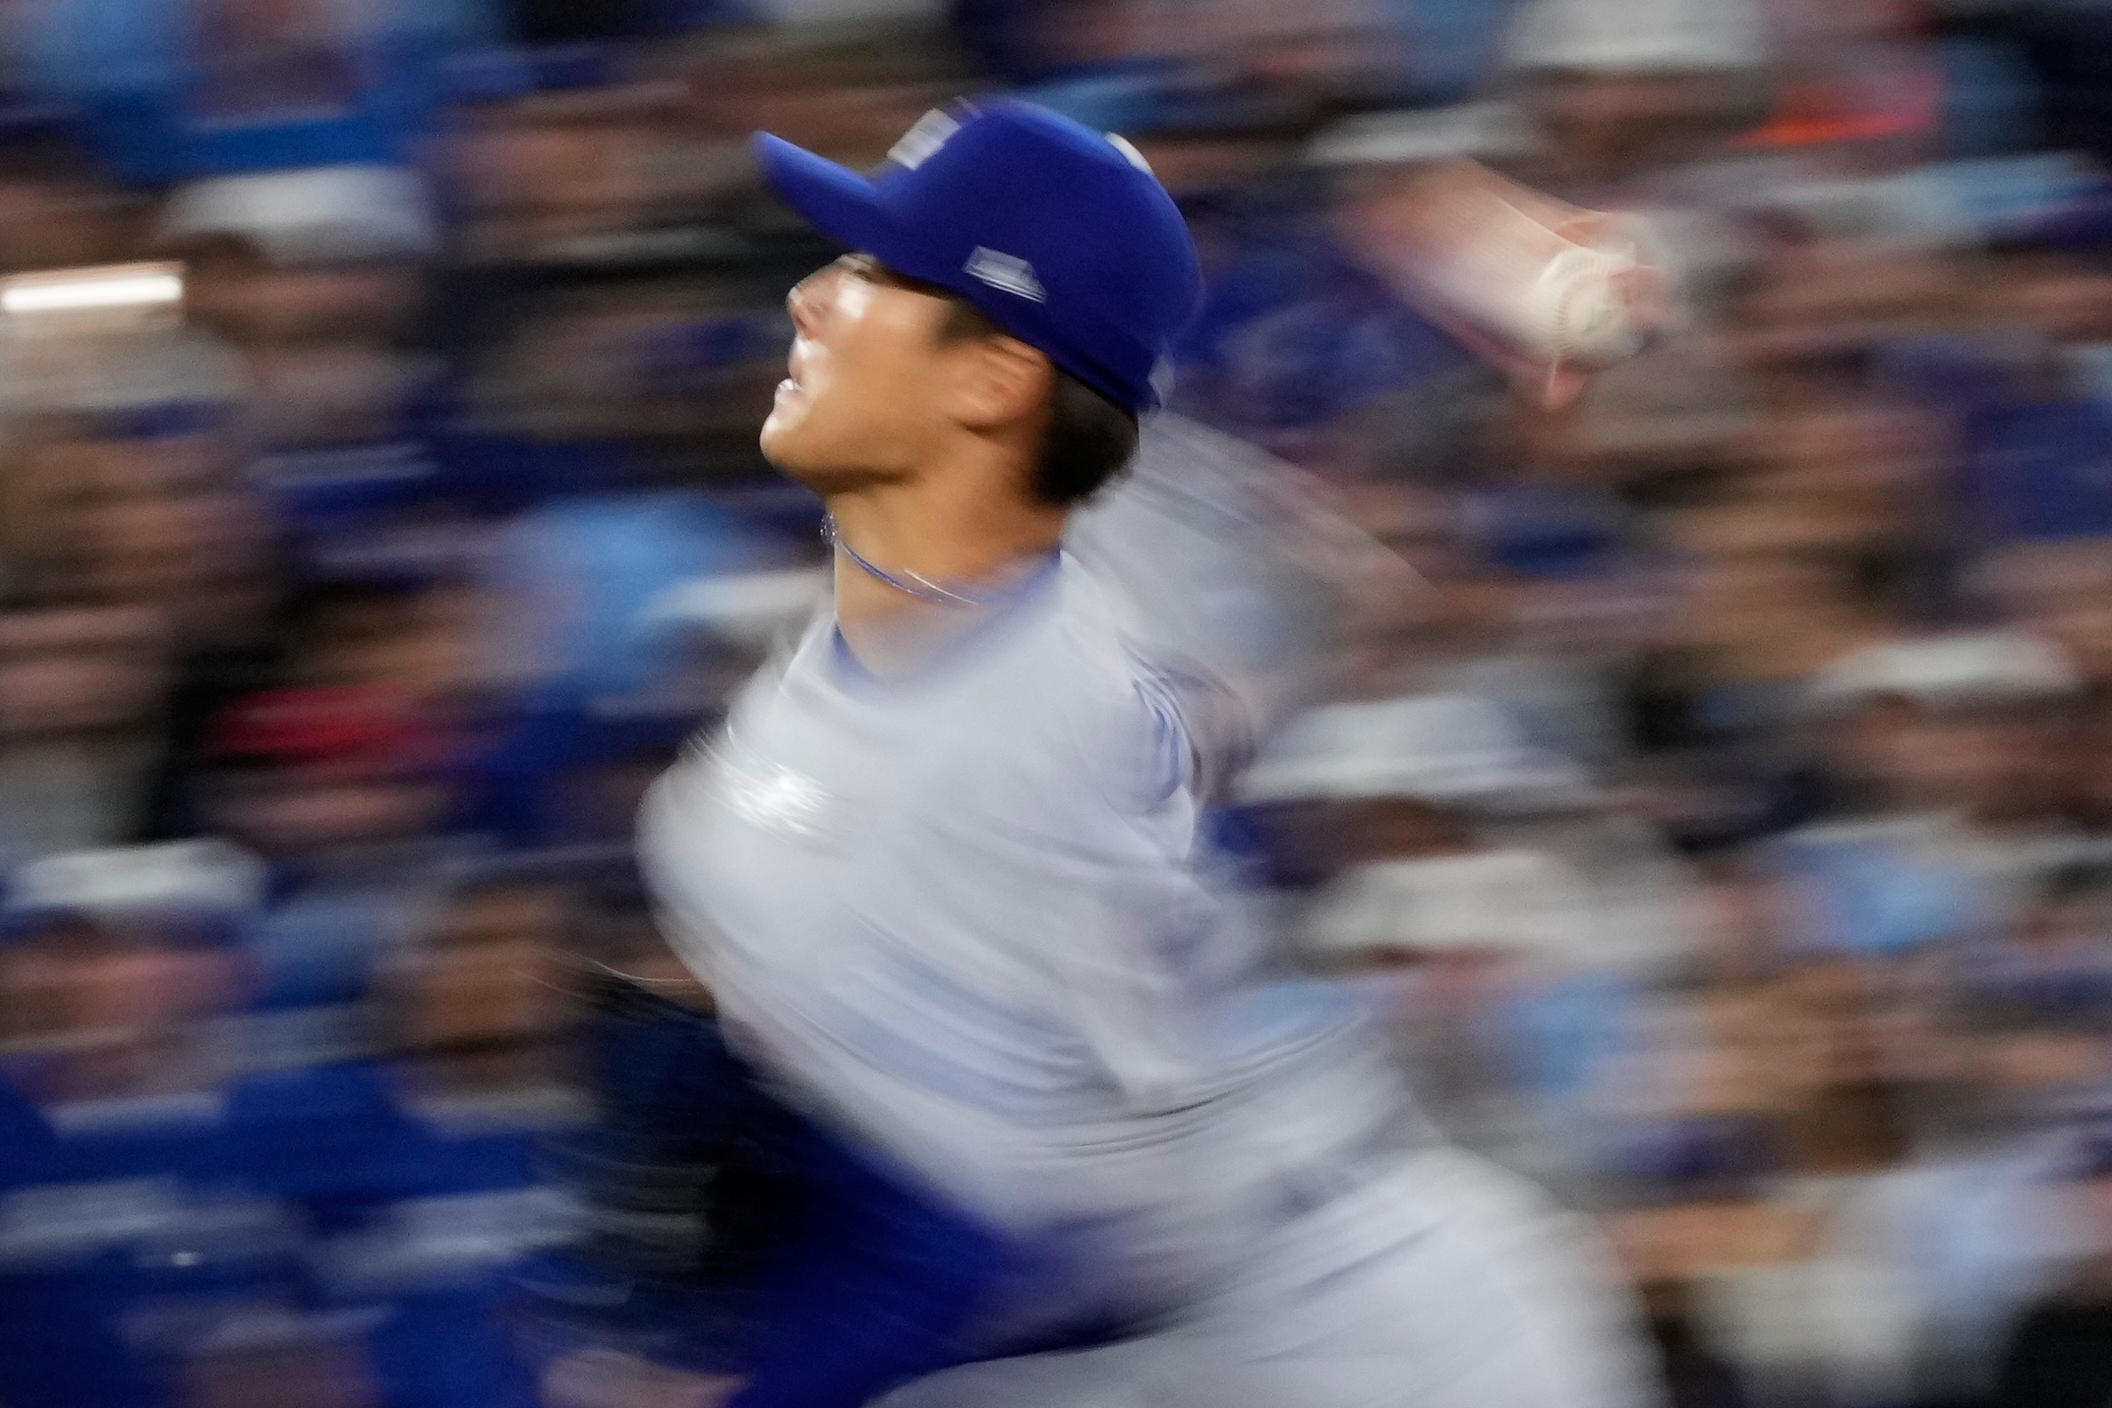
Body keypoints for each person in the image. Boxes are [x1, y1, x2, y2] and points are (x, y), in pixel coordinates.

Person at [640, 98, 1658, 1408]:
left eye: (876, 274)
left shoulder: (924, 770)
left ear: (994, 380)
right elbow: (1306, 498)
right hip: (1193, 1315)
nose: (813, 297)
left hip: (1351, 1324)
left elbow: (997, 1245)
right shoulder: (1126, 547)